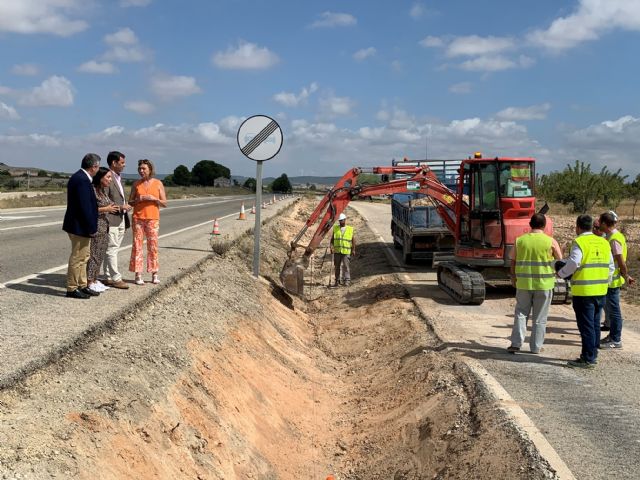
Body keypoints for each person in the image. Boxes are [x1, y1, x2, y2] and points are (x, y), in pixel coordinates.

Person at [557, 214, 614, 369]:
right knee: (595, 324)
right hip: (601, 291)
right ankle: (593, 353)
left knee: (586, 326)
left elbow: (574, 262)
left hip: (584, 292)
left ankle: (588, 358)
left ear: (578, 227)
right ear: (591, 226)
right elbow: (611, 267)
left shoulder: (579, 242)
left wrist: (561, 274)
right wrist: (605, 282)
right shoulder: (603, 242)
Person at [507, 213, 563, 354]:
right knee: (540, 318)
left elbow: (512, 261)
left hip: (524, 284)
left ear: (530, 225)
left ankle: (516, 343)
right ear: (544, 226)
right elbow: (560, 261)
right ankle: (536, 347)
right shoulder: (550, 241)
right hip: (544, 285)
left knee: (521, 313)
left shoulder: (520, 240)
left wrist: (513, 278)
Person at [62, 153, 101, 299]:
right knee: (78, 257)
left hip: (80, 225)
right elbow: (85, 207)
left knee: (84, 256)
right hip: (79, 226)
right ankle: (72, 288)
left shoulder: (81, 178)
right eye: (97, 167)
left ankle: (82, 285)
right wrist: (91, 227)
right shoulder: (82, 180)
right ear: (94, 167)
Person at [598, 211, 635, 349]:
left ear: (604, 223)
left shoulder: (613, 239)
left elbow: (620, 260)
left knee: (614, 312)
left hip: (612, 282)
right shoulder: (613, 236)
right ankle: (612, 336)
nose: (598, 224)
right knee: (611, 311)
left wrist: (626, 275)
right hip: (610, 280)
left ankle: (616, 339)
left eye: (599, 222)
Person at [128, 159, 167, 285]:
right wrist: (138, 200)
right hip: (138, 218)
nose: (141, 171)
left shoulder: (158, 183)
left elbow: (164, 203)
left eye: (144, 168)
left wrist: (154, 199)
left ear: (150, 169)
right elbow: (130, 202)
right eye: (139, 169)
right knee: (137, 246)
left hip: (152, 218)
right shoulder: (136, 184)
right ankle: (138, 274)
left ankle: (154, 273)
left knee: (153, 246)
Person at [87, 168, 120, 293]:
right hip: (95, 226)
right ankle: (89, 281)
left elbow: (110, 205)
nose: (110, 180)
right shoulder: (93, 191)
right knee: (94, 255)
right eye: (108, 177)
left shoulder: (102, 191)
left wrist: (121, 207)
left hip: (104, 226)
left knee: (100, 255)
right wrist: (106, 209)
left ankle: (95, 279)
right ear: (100, 178)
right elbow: (90, 210)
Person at [102, 151, 131, 289]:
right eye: (122, 163)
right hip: (112, 218)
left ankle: (107, 276)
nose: (124, 165)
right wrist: (121, 207)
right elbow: (104, 200)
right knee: (111, 249)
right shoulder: (107, 177)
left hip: (121, 218)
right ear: (114, 163)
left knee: (113, 249)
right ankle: (115, 278)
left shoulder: (119, 177)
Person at [329, 212, 356, 287]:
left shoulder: (350, 229)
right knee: (337, 266)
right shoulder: (336, 228)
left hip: (346, 251)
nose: (341, 222)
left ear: (345, 220)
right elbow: (332, 240)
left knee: (346, 266)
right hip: (337, 251)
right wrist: (331, 247)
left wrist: (353, 249)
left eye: (342, 220)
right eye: (339, 220)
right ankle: (337, 281)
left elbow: (353, 240)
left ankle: (347, 280)